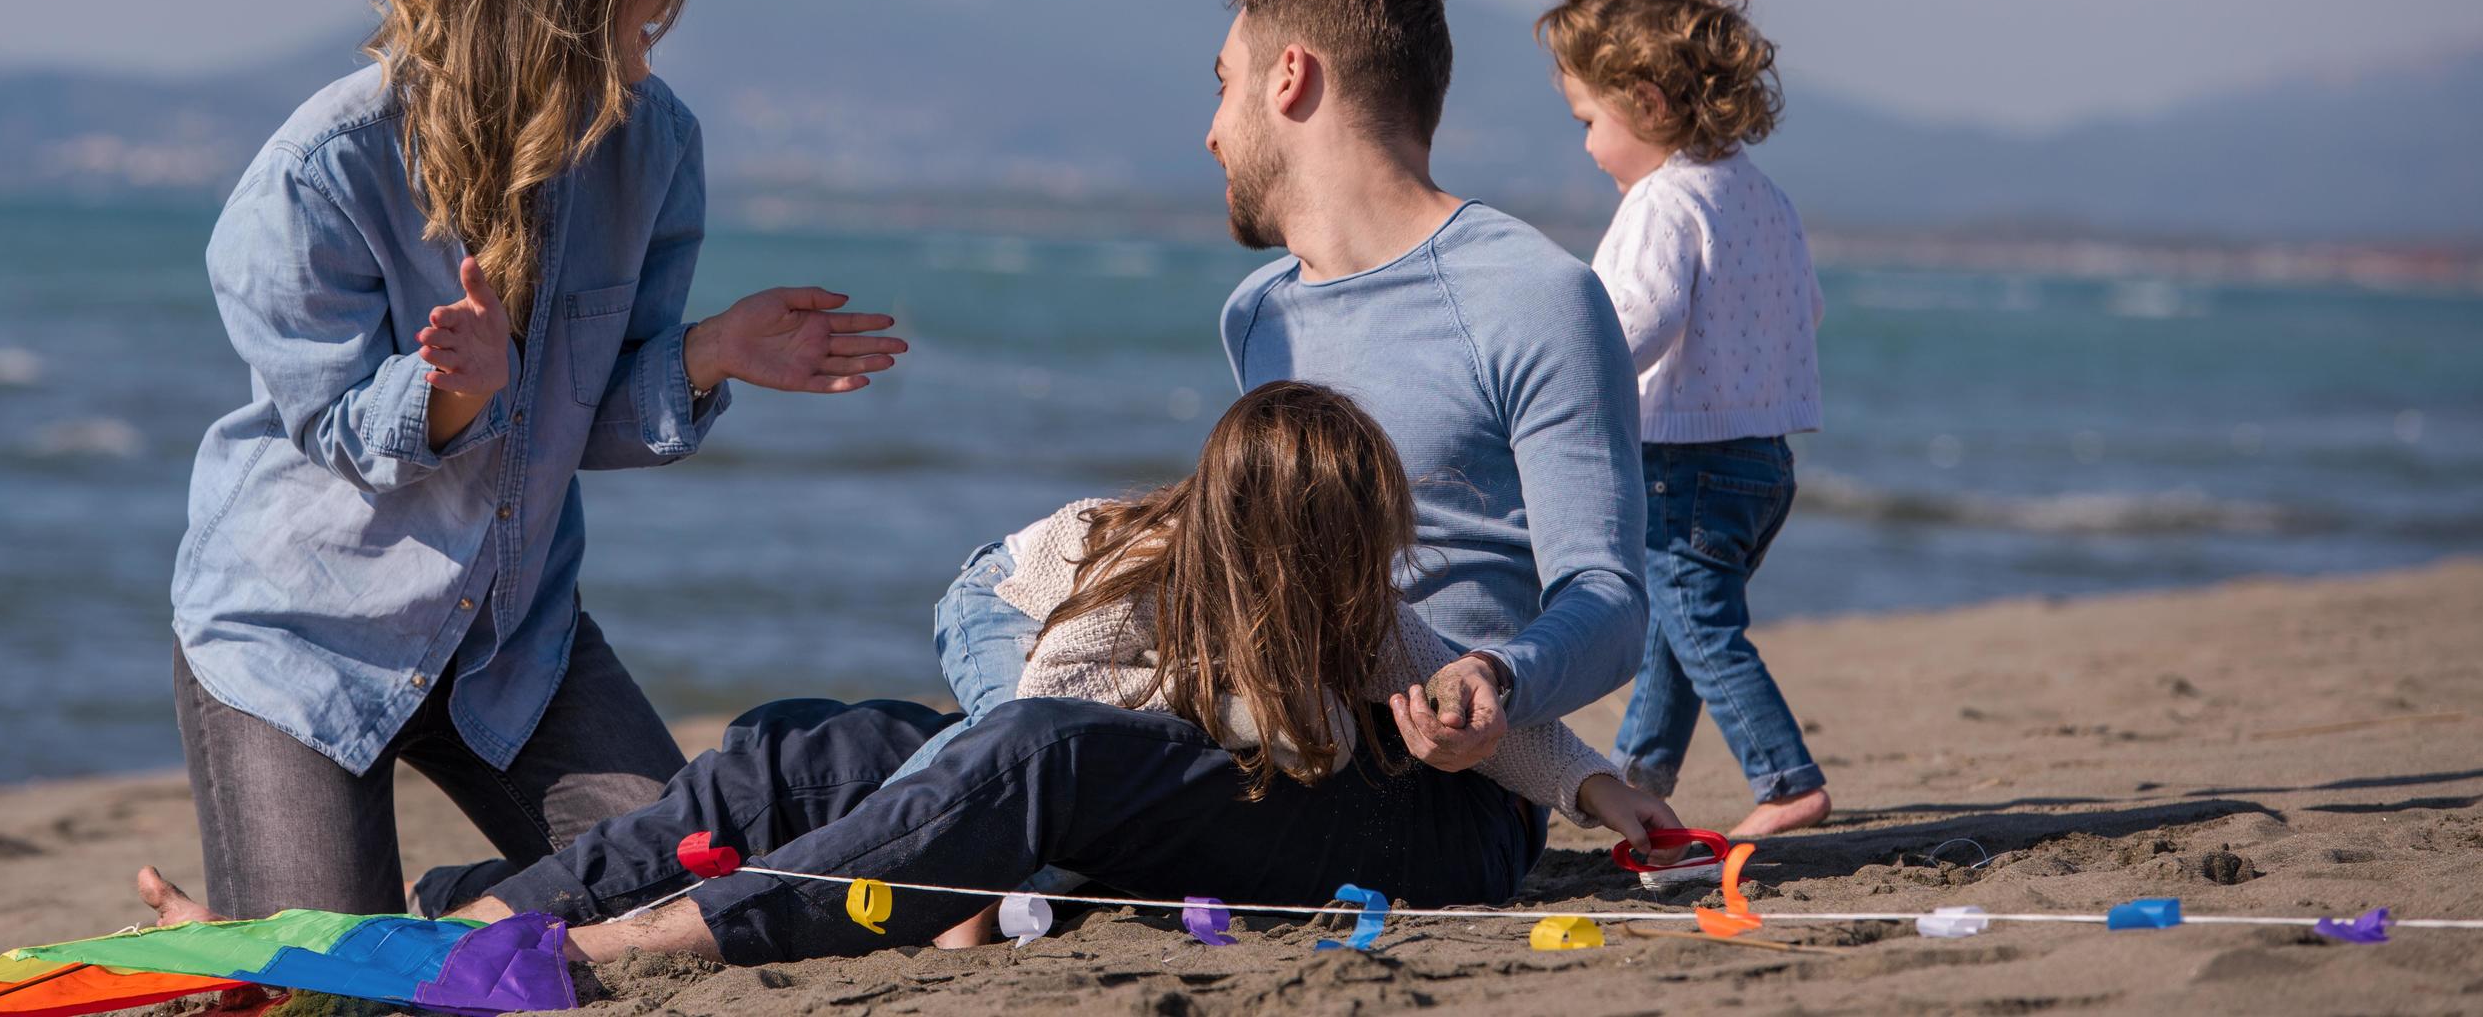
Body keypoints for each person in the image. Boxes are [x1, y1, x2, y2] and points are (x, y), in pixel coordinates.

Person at [134, 383, 1681, 965]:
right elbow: (1041, 707)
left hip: (1438, 835)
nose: (1367, 589)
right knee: (812, 744)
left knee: (1022, 770)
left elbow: (1501, 720)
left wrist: (1595, 785)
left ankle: (650, 943)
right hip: (1137, 786)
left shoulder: (1366, 634)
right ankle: (466, 923)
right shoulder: (1149, 590)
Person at [165, 0, 908, 920]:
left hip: (515, 642)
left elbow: (579, 420)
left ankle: (448, 898)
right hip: (301, 641)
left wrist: (711, 352)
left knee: (699, 891)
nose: (655, 39)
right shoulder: (325, 168)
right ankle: (263, 924)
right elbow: (340, 431)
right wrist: (451, 390)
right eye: (641, 5)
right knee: (328, 986)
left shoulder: (655, 145)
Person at [912, 0, 1651, 788]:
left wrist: (1496, 675)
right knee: (981, 629)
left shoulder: (1533, 294)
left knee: (1027, 770)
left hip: (1442, 765)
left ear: (1289, 77)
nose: (1211, 133)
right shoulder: (1256, 314)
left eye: (1224, 86)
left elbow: (1607, 600)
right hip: (1278, 715)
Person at [1539, 0, 1830, 837]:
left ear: (1646, 103)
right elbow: (1805, 310)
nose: (1586, 145)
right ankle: (1639, 769)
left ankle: (1787, 783)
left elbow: (1634, 318)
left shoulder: (1662, 203)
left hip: (1683, 463)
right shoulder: (1760, 195)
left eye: (1588, 120)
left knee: (1701, 629)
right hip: (1765, 460)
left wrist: (1559, 380)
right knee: (1680, 622)